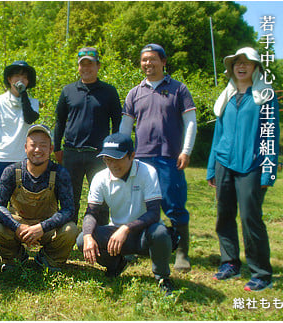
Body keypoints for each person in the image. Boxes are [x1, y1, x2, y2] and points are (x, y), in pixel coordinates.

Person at [207, 47, 279, 291]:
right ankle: (229, 264)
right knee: (224, 216)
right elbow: (218, 134)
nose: (241, 65)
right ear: (231, 68)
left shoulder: (264, 95)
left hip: (253, 165)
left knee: (251, 218)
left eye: (247, 62)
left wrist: (269, 170)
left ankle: (261, 273)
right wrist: (210, 169)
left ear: (256, 67)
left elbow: (271, 134)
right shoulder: (226, 96)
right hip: (223, 163)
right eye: (237, 62)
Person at [120, 44, 197, 272]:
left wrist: (187, 150)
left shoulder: (179, 89)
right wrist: (125, 154)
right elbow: (126, 126)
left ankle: (181, 251)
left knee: (174, 205)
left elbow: (190, 122)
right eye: (144, 60)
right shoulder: (134, 93)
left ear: (163, 62)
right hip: (141, 158)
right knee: (139, 205)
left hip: (169, 158)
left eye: (152, 59)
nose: (148, 64)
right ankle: (135, 246)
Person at [77, 133, 176, 296]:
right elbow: (91, 212)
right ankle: (116, 264)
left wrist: (126, 228)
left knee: (160, 232)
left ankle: (162, 277)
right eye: (107, 159)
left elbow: (154, 213)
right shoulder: (100, 178)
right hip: (115, 234)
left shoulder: (147, 172)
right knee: (82, 239)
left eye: (117, 159)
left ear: (132, 155)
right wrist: (88, 235)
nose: (112, 164)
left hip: (144, 234)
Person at [0, 124, 78, 272]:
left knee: (71, 229)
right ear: (25, 147)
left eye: (43, 145)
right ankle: (14, 258)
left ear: (50, 149)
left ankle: (49, 259)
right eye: (33, 145)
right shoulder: (11, 171)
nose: (37, 150)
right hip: (18, 224)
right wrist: (18, 227)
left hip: (47, 225)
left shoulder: (60, 173)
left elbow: (69, 210)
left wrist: (42, 228)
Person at [54, 47, 121, 224]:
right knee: (69, 197)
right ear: (78, 67)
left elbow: (117, 123)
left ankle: (100, 235)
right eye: (82, 65)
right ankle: (68, 234)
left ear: (98, 66)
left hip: (99, 154)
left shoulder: (109, 91)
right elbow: (60, 121)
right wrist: (57, 148)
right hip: (71, 152)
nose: (86, 68)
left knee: (101, 196)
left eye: (90, 65)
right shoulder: (68, 91)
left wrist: (114, 150)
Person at [0, 61, 39, 257]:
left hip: (24, 160)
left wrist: (23, 95)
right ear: (9, 79)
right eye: (16, 76)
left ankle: (22, 236)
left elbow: (31, 118)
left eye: (24, 77)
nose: (20, 80)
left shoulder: (32, 102)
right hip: (0, 158)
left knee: (21, 202)